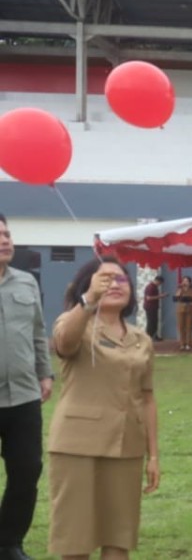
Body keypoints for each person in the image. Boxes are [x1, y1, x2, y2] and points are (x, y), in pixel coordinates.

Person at [48, 257, 160, 559]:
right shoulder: (75, 323)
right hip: (77, 445)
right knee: (76, 538)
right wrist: (87, 302)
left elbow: (147, 397)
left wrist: (154, 455)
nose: (115, 283)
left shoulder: (141, 339)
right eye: (105, 278)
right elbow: (63, 343)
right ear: (88, 285)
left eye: (122, 279)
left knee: (118, 536)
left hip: (127, 446)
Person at [0, 213, 53, 560]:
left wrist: (45, 372)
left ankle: (8, 542)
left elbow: (37, 330)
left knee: (27, 467)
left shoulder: (26, 282)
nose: (5, 240)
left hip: (22, 394)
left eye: (6, 234)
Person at [173, 276, 192, 352]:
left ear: (190, 282)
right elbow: (176, 297)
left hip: (190, 310)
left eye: (187, 281)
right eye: (184, 281)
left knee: (189, 327)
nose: (185, 282)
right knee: (181, 327)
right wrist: (180, 288)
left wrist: (190, 300)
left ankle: (188, 344)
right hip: (180, 309)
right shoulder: (180, 289)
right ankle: (182, 344)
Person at [142, 275, 164, 341]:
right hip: (150, 307)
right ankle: (148, 337)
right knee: (151, 323)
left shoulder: (154, 287)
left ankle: (154, 336)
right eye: (160, 283)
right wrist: (160, 296)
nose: (159, 285)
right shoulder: (150, 287)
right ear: (158, 281)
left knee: (154, 322)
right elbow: (148, 298)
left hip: (154, 307)